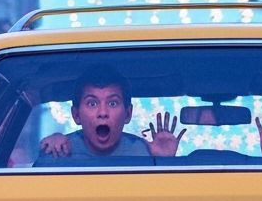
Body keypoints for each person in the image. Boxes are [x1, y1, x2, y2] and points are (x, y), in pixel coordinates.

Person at [35, 65, 185, 162]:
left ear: (127, 114)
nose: (102, 112)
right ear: (76, 115)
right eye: (92, 103)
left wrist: (163, 162)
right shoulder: (58, 151)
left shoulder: (143, 152)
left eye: (112, 103)